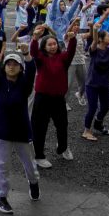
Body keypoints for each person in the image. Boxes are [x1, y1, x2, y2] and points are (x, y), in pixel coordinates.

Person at [0, 36, 39, 214]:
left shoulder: (25, 85)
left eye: (15, 64)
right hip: (1, 132)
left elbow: (32, 70)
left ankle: (33, 182)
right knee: (1, 167)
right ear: (4, 67)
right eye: (8, 64)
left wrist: (26, 53)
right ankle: (0, 197)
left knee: (30, 164)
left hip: (22, 131)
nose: (11, 66)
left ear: (20, 68)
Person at [29, 26, 77, 168]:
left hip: (58, 98)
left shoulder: (63, 58)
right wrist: (35, 38)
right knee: (40, 126)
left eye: (54, 44)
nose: (52, 46)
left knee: (62, 124)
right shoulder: (41, 58)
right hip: (42, 97)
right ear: (44, 46)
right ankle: (39, 156)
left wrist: (72, 39)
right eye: (49, 44)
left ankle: (63, 147)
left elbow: (71, 52)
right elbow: (33, 52)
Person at [82, 20, 109, 141]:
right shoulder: (94, 51)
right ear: (101, 39)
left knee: (105, 107)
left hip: (104, 84)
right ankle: (86, 131)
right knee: (92, 108)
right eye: (108, 35)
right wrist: (95, 30)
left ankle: (98, 124)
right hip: (92, 84)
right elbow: (94, 42)